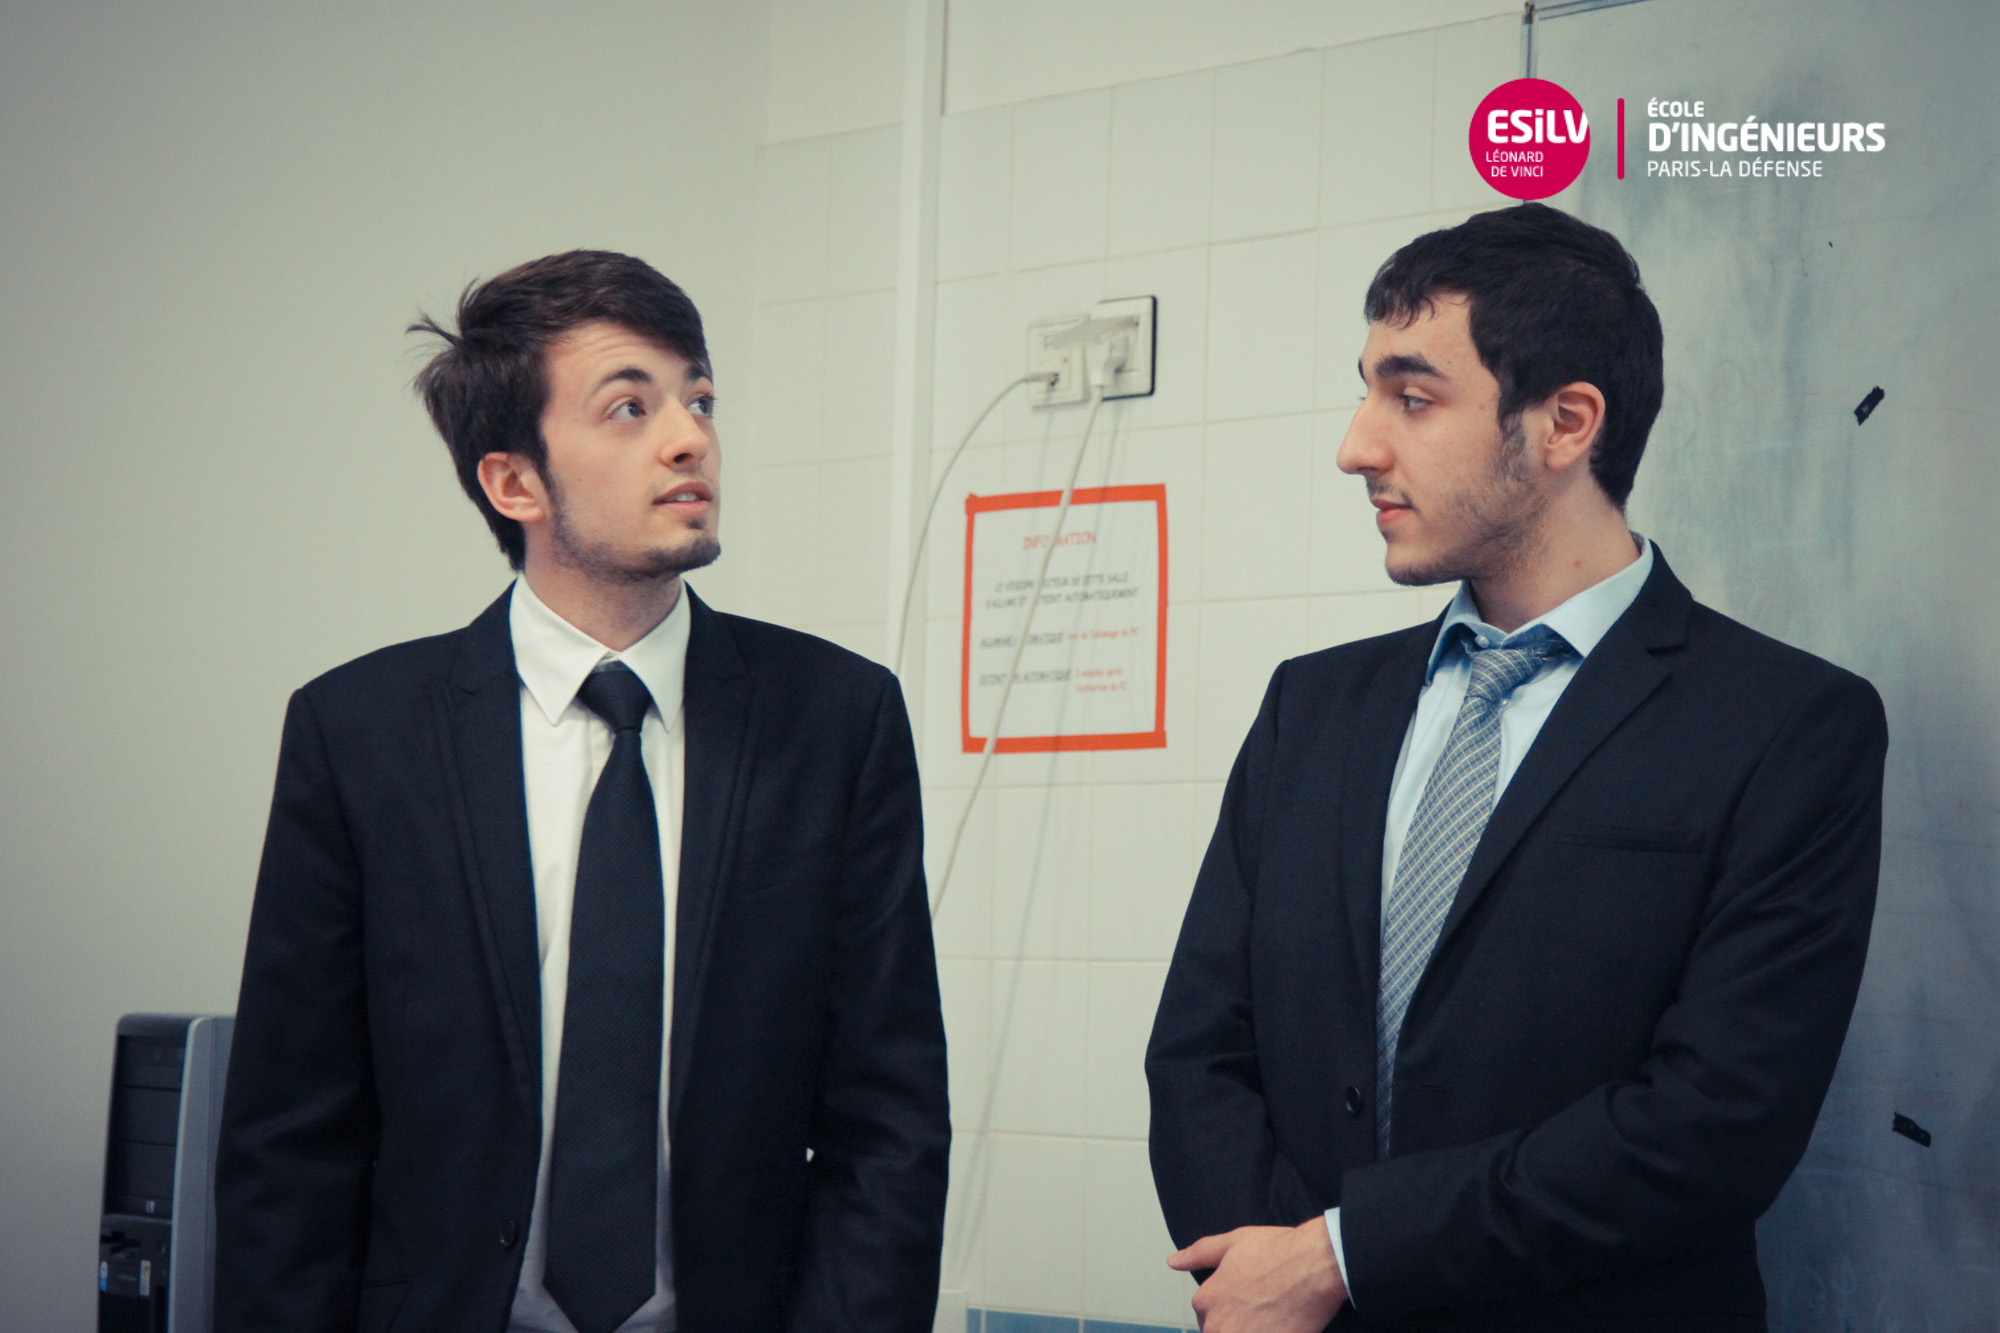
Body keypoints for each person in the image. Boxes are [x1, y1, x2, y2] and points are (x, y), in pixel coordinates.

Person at [1145, 204, 1885, 1332]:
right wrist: (1278, 1273)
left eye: (1412, 397)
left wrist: (1345, 1257)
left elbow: (1711, 1128)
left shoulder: (1785, 726)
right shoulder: (1312, 707)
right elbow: (1199, 1049)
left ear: (1564, 423)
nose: (1356, 446)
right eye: (1366, 391)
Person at [215, 250, 950, 1333]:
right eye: (628, 406)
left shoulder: (836, 719)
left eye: (699, 399)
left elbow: (888, 1118)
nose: (688, 436)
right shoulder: (360, 734)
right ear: (514, 483)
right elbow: (290, 1133)